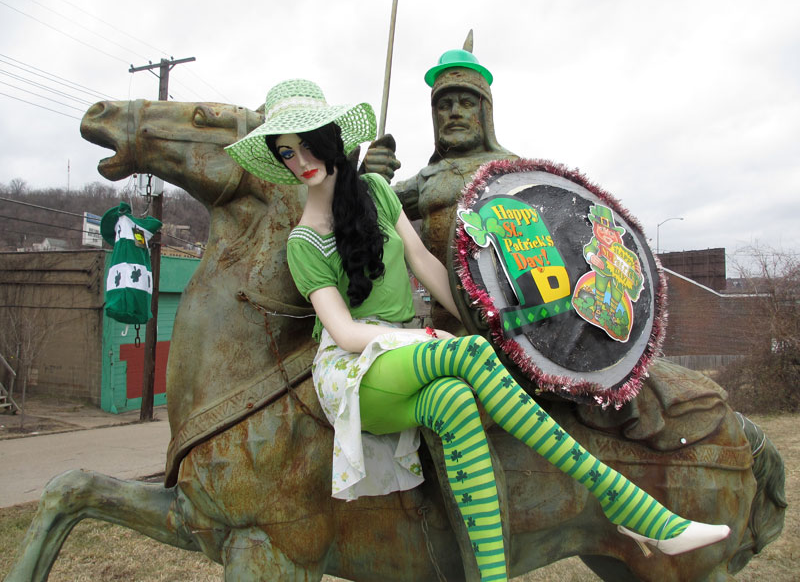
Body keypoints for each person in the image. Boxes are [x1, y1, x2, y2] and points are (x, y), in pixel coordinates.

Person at [225, 79, 730, 582]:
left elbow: (423, 261)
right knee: (464, 357)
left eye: (309, 144)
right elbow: (344, 332)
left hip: (404, 361)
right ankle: (628, 505)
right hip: (352, 370)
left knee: (457, 404)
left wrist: (485, 322)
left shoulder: (376, 193)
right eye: (287, 153)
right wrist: (422, 339)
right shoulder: (304, 241)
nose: (301, 160)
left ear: (333, 138)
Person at [365, 35, 517, 331]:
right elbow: (365, 208)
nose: (454, 112)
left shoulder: (514, 169)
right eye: (444, 105)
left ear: (484, 111)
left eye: (466, 103)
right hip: (447, 320)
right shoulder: (427, 178)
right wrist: (369, 174)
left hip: (510, 320)